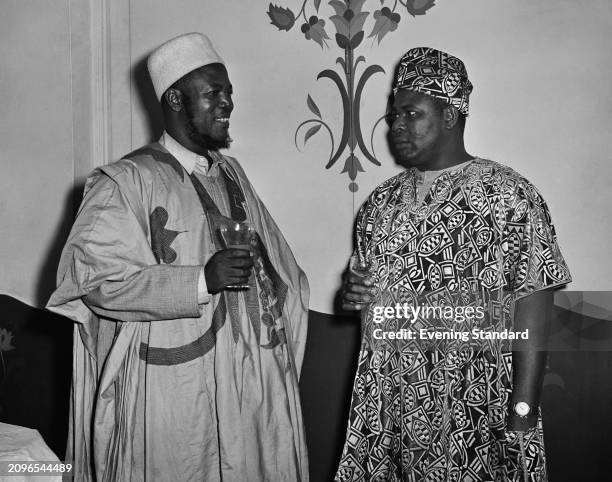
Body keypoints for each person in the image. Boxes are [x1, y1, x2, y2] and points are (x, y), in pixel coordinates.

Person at [47, 32, 309, 481]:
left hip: (247, 389)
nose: (227, 102)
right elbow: (95, 281)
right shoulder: (127, 181)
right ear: (174, 98)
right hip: (172, 394)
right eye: (213, 93)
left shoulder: (231, 174)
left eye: (228, 92)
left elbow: (284, 273)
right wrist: (200, 280)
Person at [336, 47, 571, 481]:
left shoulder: (509, 197)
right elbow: (366, 300)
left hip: (476, 413)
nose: (396, 126)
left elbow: (534, 313)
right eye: (393, 116)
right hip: (391, 410)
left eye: (412, 113)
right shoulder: (379, 204)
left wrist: (521, 414)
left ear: (450, 114)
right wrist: (352, 296)